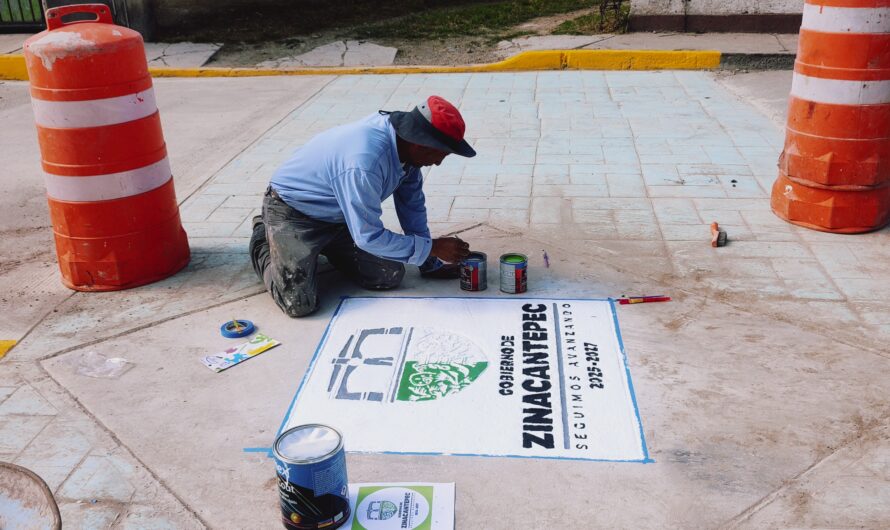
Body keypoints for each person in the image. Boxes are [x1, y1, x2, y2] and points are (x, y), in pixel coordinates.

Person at [249, 95, 475, 318]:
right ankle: (264, 234)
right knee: (299, 304)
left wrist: (429, 260)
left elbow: (412, 205)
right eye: (439, 154)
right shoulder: (364, 161)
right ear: (419, 143)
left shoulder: (408, 151)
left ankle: (324, 247)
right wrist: (432, 247)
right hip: (293, 212)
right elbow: (368, 236)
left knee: (389, 275)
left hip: (340, 217)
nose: (437, 162)